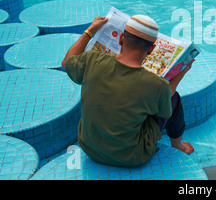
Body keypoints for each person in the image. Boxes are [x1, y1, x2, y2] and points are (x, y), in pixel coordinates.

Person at [61, 15, 194, 167]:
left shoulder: (92, 60)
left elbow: (66, 62)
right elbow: (165, 106)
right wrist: (183, 70)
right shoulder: (156, 84)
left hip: (90, 149)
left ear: (121, 39)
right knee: (173, 99)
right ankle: (178, 146)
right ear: (151, 50)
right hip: (132, 156)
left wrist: (90, 30)